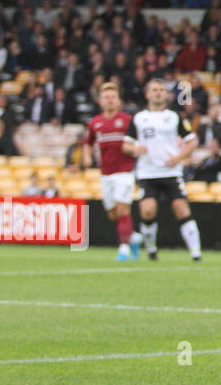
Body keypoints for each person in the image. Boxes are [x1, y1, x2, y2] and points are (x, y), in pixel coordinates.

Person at [122, 78, 201, 261]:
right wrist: (135, 149)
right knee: (147, 210)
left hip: (171, 172)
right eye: (154, 90)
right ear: (147, 94)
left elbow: (191, 141)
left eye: (161, 90)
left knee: (181, 208)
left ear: (165, 94)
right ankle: (151, 249)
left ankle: (196, 254)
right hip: (147, 172)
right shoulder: (139, 118)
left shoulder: (174, 117)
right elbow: (126, 145)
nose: (158, 93)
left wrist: (179, 158)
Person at [83, 82, 141, 260]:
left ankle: (123, 248)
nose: (109, 101)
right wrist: (86, 156)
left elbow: (138, 142)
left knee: (123, 209)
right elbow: (87, 142)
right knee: (112, 214)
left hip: (125, 172)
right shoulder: (95, 123)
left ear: (119, 101)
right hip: (106, 173)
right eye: (106, 97)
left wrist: (133, 149)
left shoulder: (128, 121)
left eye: (113, 97)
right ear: (100, 101)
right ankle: (133, 237)